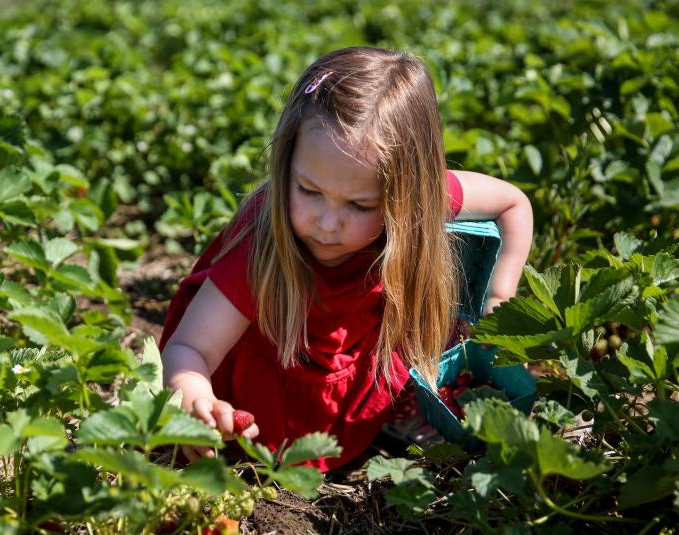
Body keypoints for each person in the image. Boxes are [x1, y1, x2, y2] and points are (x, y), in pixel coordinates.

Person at [158, 47, 534, 472]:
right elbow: (190, 346)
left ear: (408, 195)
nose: (327, 222)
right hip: (273, 381)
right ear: (287, 164)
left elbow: (512, 203)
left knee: (431, 301)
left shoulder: (418, 203)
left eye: (359, 205)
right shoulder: (263, 240)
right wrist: (193, 394)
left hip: (360, 352)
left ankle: (396, 407)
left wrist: (499, 298)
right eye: (309, 191)